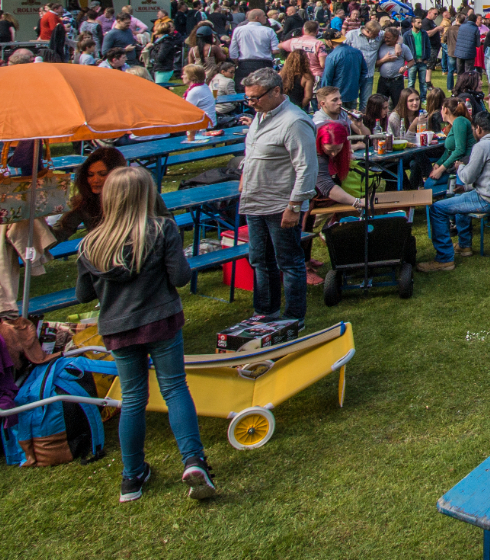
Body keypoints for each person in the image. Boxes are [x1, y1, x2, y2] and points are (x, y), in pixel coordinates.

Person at [74, 165, 215, 503]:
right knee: (174, 388)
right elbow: (181, 277)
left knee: (133, 398)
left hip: (118, 327)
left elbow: (83, 295)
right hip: (160, 319)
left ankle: (131, 477)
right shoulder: (162, 229)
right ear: (148, 195)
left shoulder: (90, 243)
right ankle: (194, 460)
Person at [237, 68, 317, 323]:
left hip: (280, 203)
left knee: (288, 262)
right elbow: (253, 152)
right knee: (260, 259)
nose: (251, 103)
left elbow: (306, 166)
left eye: (255, 97)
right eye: (248, 98)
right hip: (255, 201)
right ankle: (265, 311)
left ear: (276, 91)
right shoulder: (261, 115)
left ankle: (293, 317)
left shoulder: (294, 121)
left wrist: (294, 205)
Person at [423, 111, 490, 269]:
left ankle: (444, 259)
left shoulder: (482, 146)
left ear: (478, 129)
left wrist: (460, 166)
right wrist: (465, 187)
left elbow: (467, 177)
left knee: (437, 209)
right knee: (462, 196)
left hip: (489, 199)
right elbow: (488, 174)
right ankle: (464, 245)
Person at [55, 146, 128, 242]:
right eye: (90, 174)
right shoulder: (84, 202)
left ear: (118, 174)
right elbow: (60, 232)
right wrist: (37, 223)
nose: (95, 180)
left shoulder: (133, 197)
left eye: (102, 174)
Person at [229, 8, 280, 81]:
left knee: (244, 88)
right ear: (257, 17)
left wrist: (237, 62)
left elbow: (233, 51)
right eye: (264, 16)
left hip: (245, 64)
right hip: (264, 64)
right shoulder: (269, 31)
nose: (266, 17)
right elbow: (276, 50)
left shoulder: (238, 30)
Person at [374, 27, 413, 103]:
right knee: (379, 103)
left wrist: (405, 67)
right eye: (385, 37)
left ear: (396, 38)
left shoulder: (403, 47)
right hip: (383, 80)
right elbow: (375, 65)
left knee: (398, 103)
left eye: (388, 38)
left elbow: (411, 61)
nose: (385, 39)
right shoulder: (381, 46)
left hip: (396, 81)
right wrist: (385, 59)